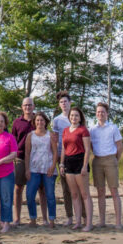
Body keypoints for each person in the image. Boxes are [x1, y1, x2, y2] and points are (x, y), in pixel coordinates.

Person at [90, 102, 123, 229]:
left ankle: (118, 222)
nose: (100, 114)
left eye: (102, 112)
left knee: (114, 190)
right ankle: (102, 221)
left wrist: (115, 160)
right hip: (97, 160)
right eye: (98, 112)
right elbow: (91, 145)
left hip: (110, 160)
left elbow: (119, 146)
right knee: (100, 191)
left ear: (107, 114)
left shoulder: (113, 128)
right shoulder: (92, 129)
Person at [62, 106, 93, 232]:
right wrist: (62, 164)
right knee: (74, 194)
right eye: (72, 115)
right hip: (68, 162)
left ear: (80, 118)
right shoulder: (65, 130)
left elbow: (87, 150)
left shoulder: (83, 130)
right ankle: (78, 221)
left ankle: (89, 223)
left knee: (85, 194)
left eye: (76, 115)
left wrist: (85, 166)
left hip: (80, 161)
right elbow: (64, 148)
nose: (73, 118)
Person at [24, 111, 58, 228]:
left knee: (50, 195)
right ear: (34, 122)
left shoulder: (51, 135)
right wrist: (27, 169)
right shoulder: (30, 136)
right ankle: (33, 219)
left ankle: (52, 220)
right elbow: (27, 153)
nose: (40, 122)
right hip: (34, 169)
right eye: (37, 120)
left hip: (48, 169)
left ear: (46, 122)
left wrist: (53, 167)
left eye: (42, 120)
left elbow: (55, 153)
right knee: (29, 195)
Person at [11, 97, 36, 225]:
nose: (28, 107)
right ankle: (17, 218)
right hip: (20, 158)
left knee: (38, 189)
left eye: (30, 105)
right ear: (22, 107)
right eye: (25, 105)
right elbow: (13, 140)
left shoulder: (38, 120)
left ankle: (37, 218)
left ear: (34, 106)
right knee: (18, 188)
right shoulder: (16, 122)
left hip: (36, 158)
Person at [52, 91, 74, 226]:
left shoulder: (76, 116)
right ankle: (69, 216)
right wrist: (58, 159)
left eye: (65, 101)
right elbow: (55, 140)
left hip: (76, 155)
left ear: (70, 102)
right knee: (66, 188)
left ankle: (83, 215)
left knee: (77, 187)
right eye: (61, 102)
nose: (63, 104)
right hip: (62, 156)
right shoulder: (57, 120)